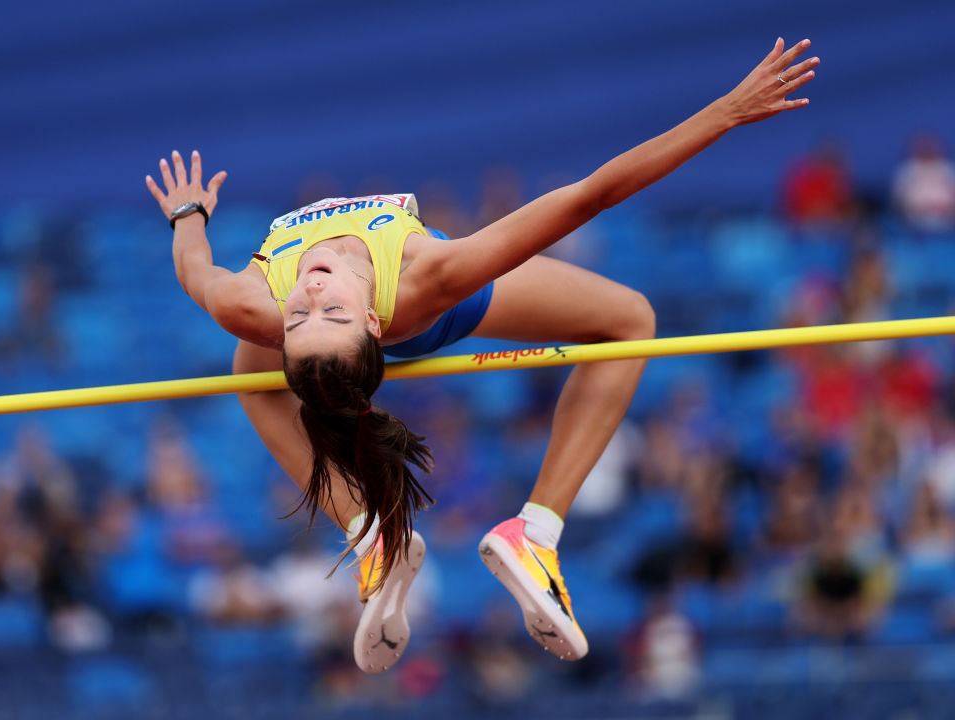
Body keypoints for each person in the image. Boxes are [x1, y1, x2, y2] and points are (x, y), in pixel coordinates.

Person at [145, 38, 819, 671]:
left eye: (307, 309)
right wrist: (725, 114)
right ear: (365, 323)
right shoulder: (411, 279)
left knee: (251, 365)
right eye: (318, 311)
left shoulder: (275, 301)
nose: (313, 289)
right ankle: (443, 535)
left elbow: (194, 269)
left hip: (387, 321)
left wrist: (188, 216)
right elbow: (592, 193)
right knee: (629, 319)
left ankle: (453, 535)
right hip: (428, 311)